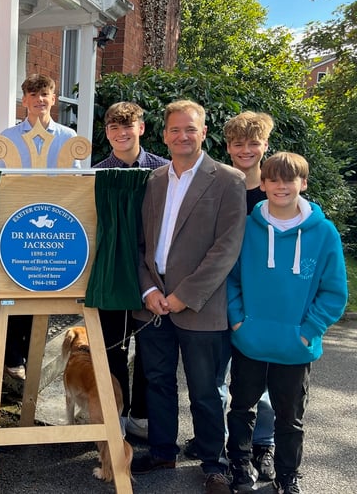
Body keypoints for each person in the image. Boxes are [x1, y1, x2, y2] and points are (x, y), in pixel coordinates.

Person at [131, 100, 246, 494]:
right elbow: (141, 244)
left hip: (200, 305)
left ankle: (214, 464)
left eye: (190, 129)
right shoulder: (154, 180)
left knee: (204, 389)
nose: (182, 136)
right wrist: (148, 289)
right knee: (158, 382)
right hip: (153, 304)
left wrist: (184, 295)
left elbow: (227, 248)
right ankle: (163, 450)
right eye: (175, 130)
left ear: (203, 133)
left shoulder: (228, 180)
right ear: (164, 135)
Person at [226, 152, 347, 494]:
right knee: (241, 407)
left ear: (303, 183)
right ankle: (238, 463)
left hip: (296, 346)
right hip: (250, 340)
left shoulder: (323, 233)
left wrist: (308, 332)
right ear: (262, 185)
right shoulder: (247, 227)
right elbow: (231, 279)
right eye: (274, 180)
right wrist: (238, 322)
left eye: (290, 179)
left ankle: (287, 476)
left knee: (290, 418)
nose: (282, 186)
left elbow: (334, 292)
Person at [185, 111, 278, 479]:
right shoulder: (219, 183)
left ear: (265, 145)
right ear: (226, 145)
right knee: (214, 379)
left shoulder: (274, 187)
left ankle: (262, 445)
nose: (245, 149)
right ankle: (220, 443)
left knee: (263, 379)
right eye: (238, 143)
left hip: (261, 297)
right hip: (217, 293)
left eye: (253, 143)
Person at [92, 101, 168, 440]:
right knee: (114, 349)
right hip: (114, 271)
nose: (122, 132)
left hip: (153, 272)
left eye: (128, 125)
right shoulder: (96, 173)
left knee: (151, 349)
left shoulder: (164, 171)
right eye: (114, 127)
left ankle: (141, 416)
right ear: (107, 132)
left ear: (141, 128)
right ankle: (116, 417)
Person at [0, 74, 78, 380]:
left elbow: (77, 183)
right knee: (16, 288)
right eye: (33, 94)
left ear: (53, 99)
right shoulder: (7, 137)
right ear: (24, 100)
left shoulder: (68, 137)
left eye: (44, 94)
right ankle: (13, 356)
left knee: (43, 290)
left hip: (54, 225)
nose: (39, 100)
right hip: (18, 225)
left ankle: (33, 357)